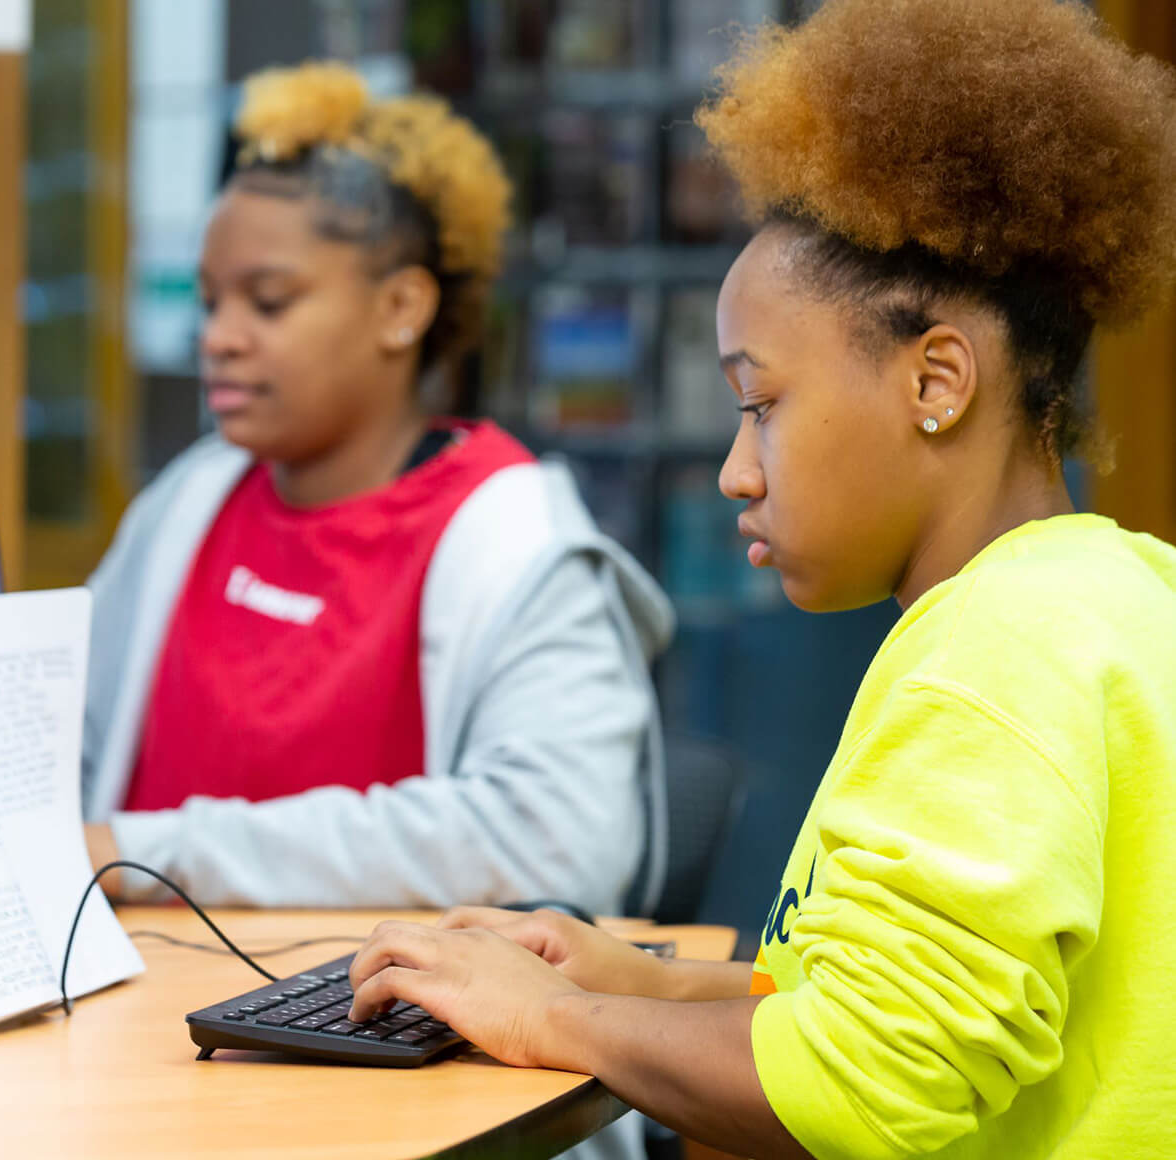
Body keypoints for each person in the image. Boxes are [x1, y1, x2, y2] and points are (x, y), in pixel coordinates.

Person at [345, 2, 1176, 1157]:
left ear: (937, 380)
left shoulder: (994, 658)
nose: (738, 470)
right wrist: (636, 981)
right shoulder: (1117, 589)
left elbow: (862, 1082)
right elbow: (856, 1012)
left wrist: (553, 1018)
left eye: (760, 403)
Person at [80, 62, 674, 922]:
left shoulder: (510, 538)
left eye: (269, 303)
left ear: (402, 307)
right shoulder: (190, 501)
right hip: (134, 1011)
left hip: (360, 1029)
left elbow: (560, 843)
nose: (219, 339)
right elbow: (63, 750)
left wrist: (148, 855)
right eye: (211, 303)